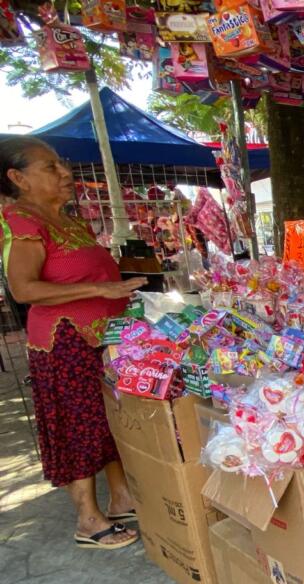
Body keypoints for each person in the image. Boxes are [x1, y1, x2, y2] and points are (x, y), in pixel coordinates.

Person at [0, 136, 146, 550]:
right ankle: (88, 519)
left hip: (100, 339)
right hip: (64, 342)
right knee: (79, 425)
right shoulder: (21, 221)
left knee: (107, 420)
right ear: (18, 178)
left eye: (62, 164)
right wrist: (102, 289)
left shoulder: (66, 220)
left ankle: (121, 498)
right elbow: (24, 289)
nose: (66, 173)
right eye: (50, 167)